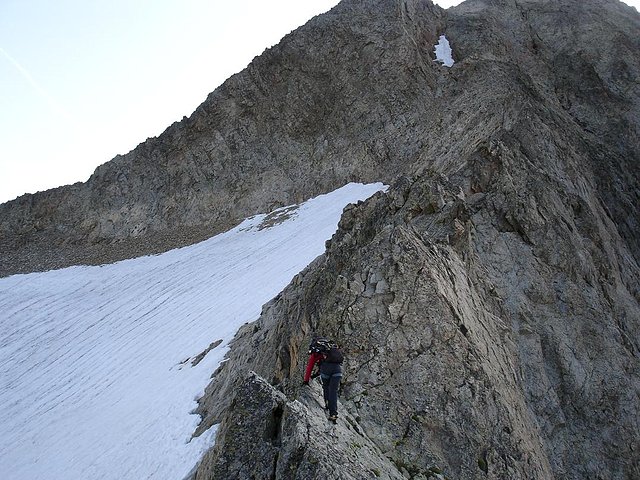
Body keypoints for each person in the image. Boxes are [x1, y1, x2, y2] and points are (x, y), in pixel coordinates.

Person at [303, 337, 343, 422]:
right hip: (338, 370)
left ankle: (327, 404)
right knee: (333, 390)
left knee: (326, 387)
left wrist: (306, 380)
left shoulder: (316, 353)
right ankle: (333, 413)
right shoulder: (331, 349)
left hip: (326, 371)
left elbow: (310, 367)